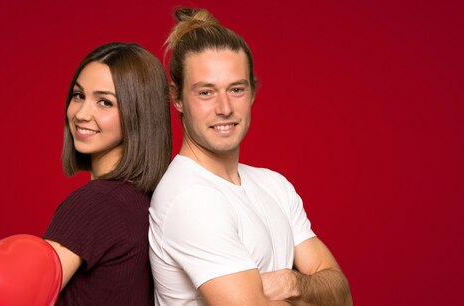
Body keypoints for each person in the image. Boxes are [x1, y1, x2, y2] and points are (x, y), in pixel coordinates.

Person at [148, 8, 352, 306]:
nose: (225, 107)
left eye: (236, 89)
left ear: (253, 92)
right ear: (177, 98)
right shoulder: (189, 197)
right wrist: (309, 291)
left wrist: (288, 280)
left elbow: (342, 294)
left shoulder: (274, 185)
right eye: (206, 92)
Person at [43, 42, 171, 305]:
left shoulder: (94, 204)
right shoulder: (154, 201)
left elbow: (24, 295)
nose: (81, 113)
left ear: (139, 114)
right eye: (78, 95)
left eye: (104, 102)